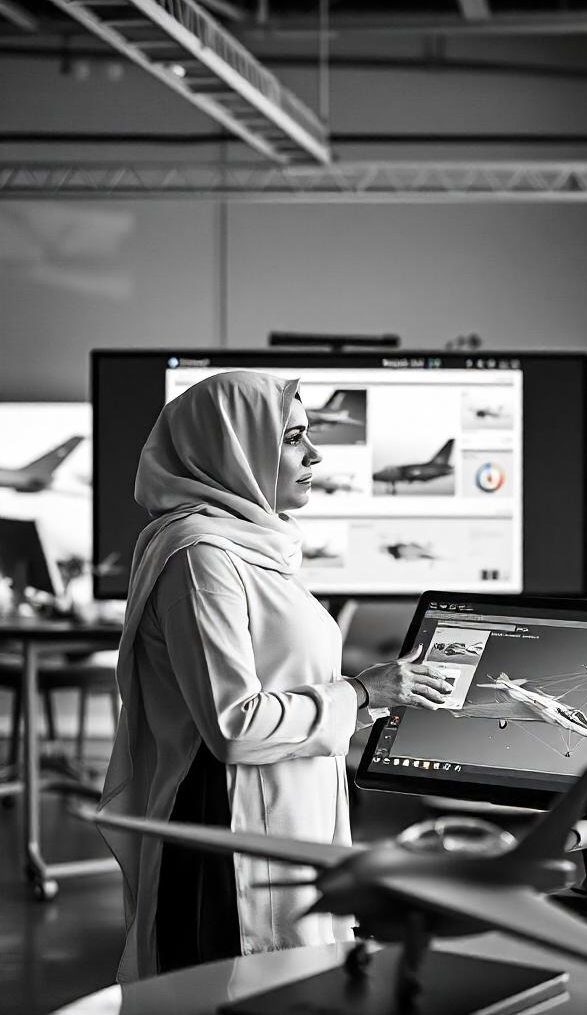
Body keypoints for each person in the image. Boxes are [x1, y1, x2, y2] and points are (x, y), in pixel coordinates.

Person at [98, 370, 452, 981]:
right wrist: (362, 690)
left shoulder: (253, 546)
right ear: (232, 448)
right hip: (230, 839)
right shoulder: (201, 558)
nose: (314, 455)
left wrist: (371, 701)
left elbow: (282, 683)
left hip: (281, 819)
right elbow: (234, 726)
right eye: (292, 438)